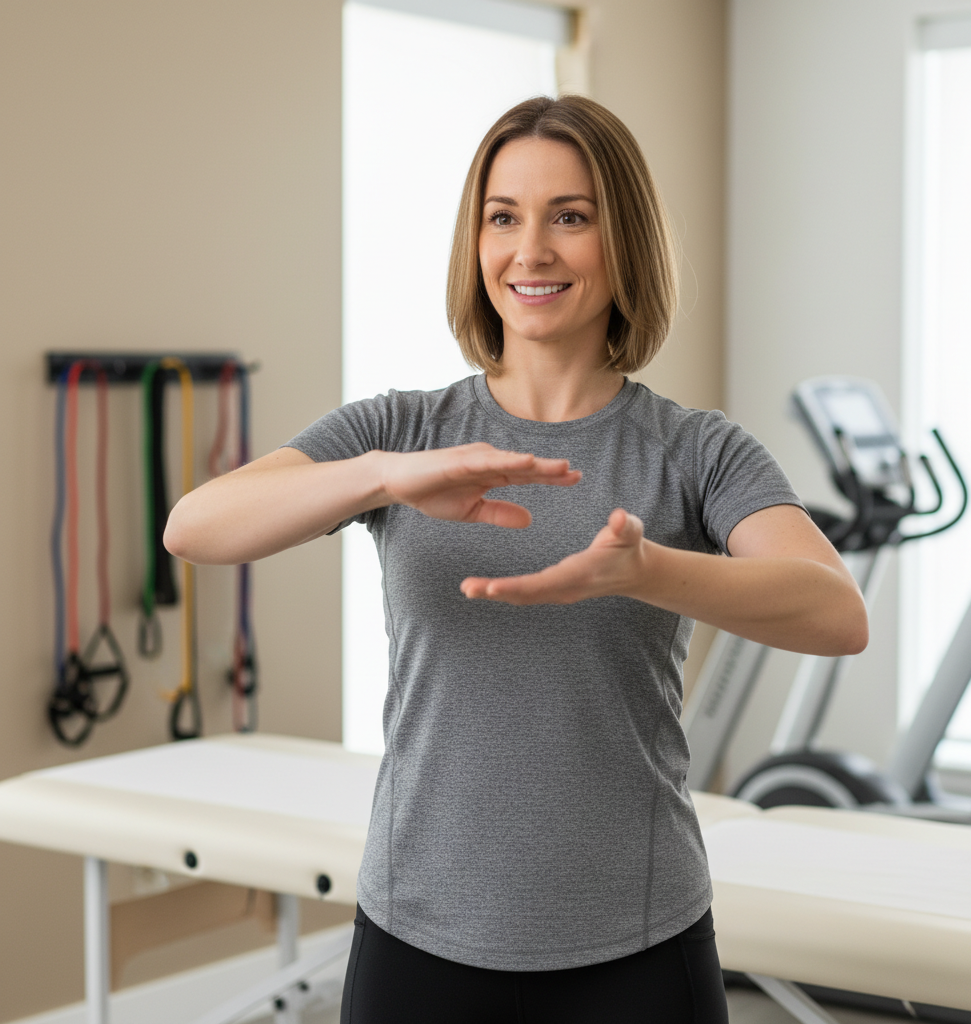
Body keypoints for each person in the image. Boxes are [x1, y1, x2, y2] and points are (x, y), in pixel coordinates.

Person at [165, 94, 867, 1024]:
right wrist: (380, 478)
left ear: (625, 243)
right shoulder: (403, 432)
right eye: (504, 217)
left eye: (569, 217)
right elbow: (195, 527)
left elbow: (835, 612)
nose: (530, 250)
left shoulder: (695, 450)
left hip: (639, 939)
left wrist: (646, 571)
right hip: (419, 931)